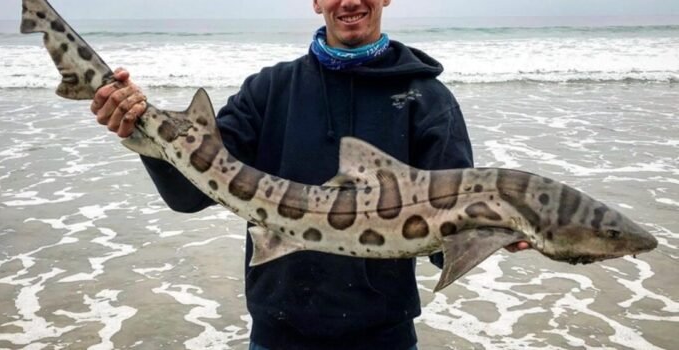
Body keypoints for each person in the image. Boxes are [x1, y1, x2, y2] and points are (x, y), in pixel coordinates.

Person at [92, 1, 529, 349]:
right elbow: (188, 196)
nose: (351, 2)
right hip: (278, 334)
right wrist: (142, 133)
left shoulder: (427, 100)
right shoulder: (268, 91)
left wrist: (494, 234)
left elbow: (441, 249)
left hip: (382, 338)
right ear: (316, 2)